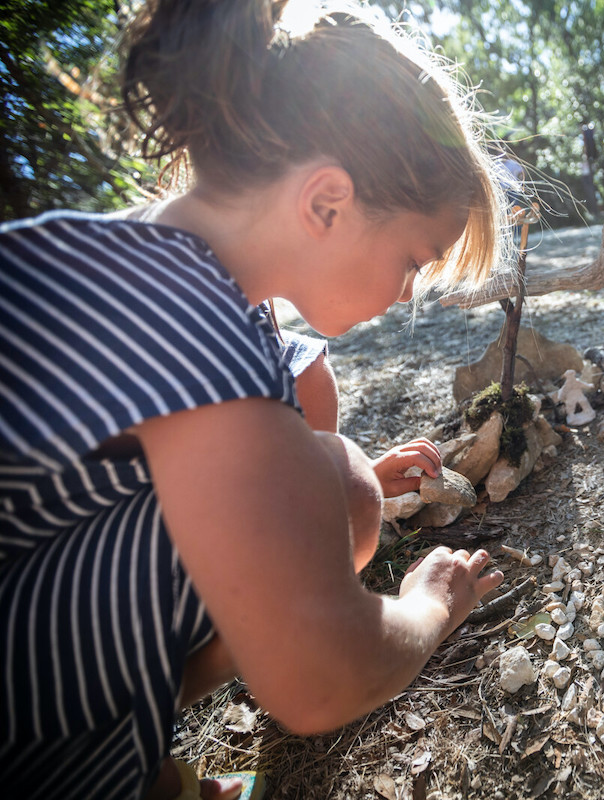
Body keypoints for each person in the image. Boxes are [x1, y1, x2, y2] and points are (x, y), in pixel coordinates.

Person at [0, 1, 512, 798]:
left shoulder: (153, 261)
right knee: (324, 483)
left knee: (338, 479)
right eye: (413, 258)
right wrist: (430, 606)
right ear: (325, 203)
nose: (408, 290)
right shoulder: (190, 320)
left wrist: (344, 481)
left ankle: (127, 753)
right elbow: (321, 680)